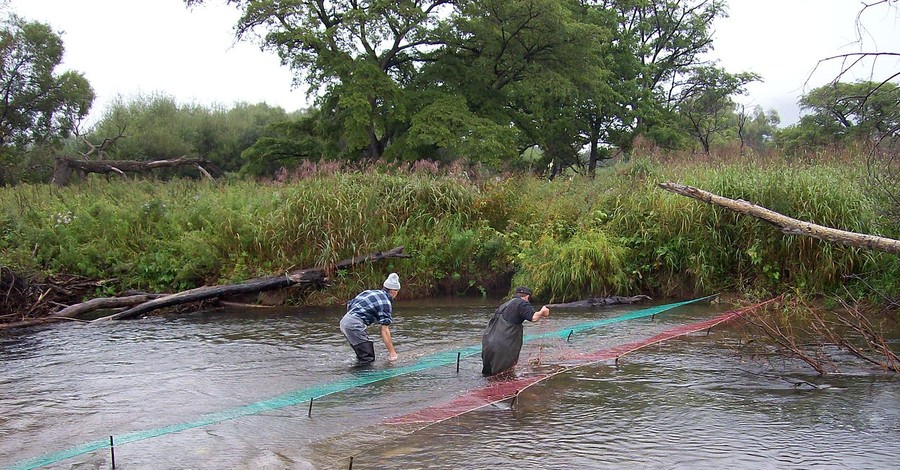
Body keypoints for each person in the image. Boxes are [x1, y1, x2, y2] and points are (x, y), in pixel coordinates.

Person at [481, 286, 550, 376]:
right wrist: (542, 311)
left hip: (488, 343)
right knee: (503, 375)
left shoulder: (505, 304)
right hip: (503, 346)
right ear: (527, 297)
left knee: (488, 375)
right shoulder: (522, 303)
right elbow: (533, 318)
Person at [340, 273, 401, 364]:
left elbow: (350, 304)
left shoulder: (370, 292)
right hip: (354, 325)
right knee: (368, 358)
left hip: (344, 321)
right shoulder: (385, 302)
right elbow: (384, 330)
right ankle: (362, 377)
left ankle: (356, 371)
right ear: (394, 291)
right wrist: (392, 353)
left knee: (361, 354)